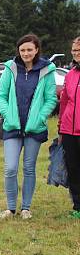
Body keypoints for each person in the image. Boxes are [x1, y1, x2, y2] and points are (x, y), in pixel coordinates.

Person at [0, 33, 58, 220]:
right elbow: (0, 96)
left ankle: (26, 208)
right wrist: (8, 115)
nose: (26, 53)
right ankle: (10, 208)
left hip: (34, 129)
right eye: (22, 50)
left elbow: (50, 98)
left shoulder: (47, 71)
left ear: (36, 50)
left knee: (29, 168)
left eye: (30, 49)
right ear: (18, 51)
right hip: (12, 127)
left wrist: (41, 117)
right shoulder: (11, 68)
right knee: (10, 168)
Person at [59, 37, 80, 219]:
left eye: (79, 50)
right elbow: (64, 102)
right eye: (74, 50)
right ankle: (77, 206)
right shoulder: (70, 74)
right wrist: (60, 128)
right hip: (68, 131)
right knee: (73, 168)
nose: (76, 53)